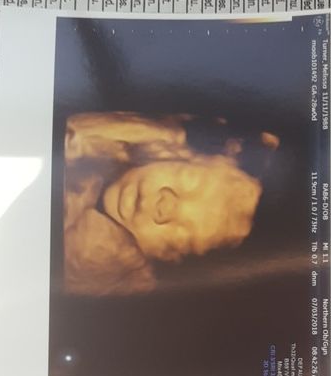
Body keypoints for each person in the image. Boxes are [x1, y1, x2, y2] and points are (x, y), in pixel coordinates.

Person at [61, 112, 280, 296]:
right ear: (180, 154)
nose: (164, 206)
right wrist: (161, 132)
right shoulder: (114, 148)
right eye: (189, 180)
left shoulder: (117, 272)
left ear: (167, 259)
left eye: (182, 233)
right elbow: (69, 129)